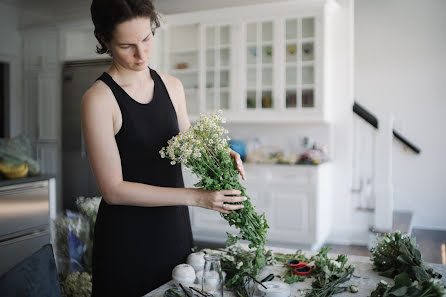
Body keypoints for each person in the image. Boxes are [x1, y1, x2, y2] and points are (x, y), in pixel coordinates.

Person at [82, 0, 246, 296]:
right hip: (127, 237)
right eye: (126, 45)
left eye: (146, 39)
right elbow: (113, 189)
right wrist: (197, 197)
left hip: (173, 227)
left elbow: (187, 143)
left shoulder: (172, 86)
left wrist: (218, 154)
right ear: (104, 40)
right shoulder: (98, 99)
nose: (141, 53)